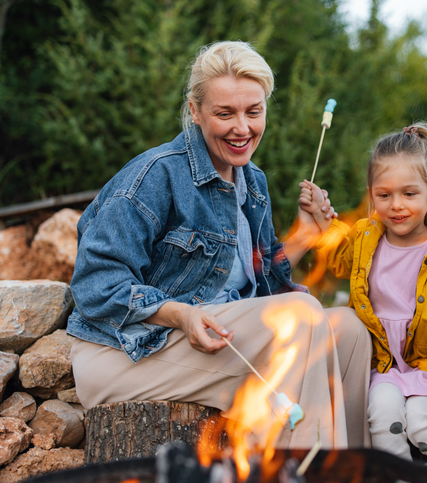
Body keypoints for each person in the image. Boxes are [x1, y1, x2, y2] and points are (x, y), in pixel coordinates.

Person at [65, 40, 372, 450]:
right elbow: (95, 284)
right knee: (302, 316)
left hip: (215, 342)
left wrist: (304, 238)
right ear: (195, 110)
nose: (242, 128)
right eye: (224, 113)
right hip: (128, 353)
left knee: (350, 330)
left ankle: (352, 470)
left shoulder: (253, 182)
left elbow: (260, 289)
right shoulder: (154, 177)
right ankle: (298, 472)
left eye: (254, 112)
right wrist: (180, 315)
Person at [298, 123, 427, 464]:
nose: (396, 205)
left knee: (423, 424)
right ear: (371, 194)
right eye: (384, 195)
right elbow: (339, 257)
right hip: (386, 363)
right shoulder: (367, 236)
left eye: (409, 194)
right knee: (381, 415)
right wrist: (322, 216)